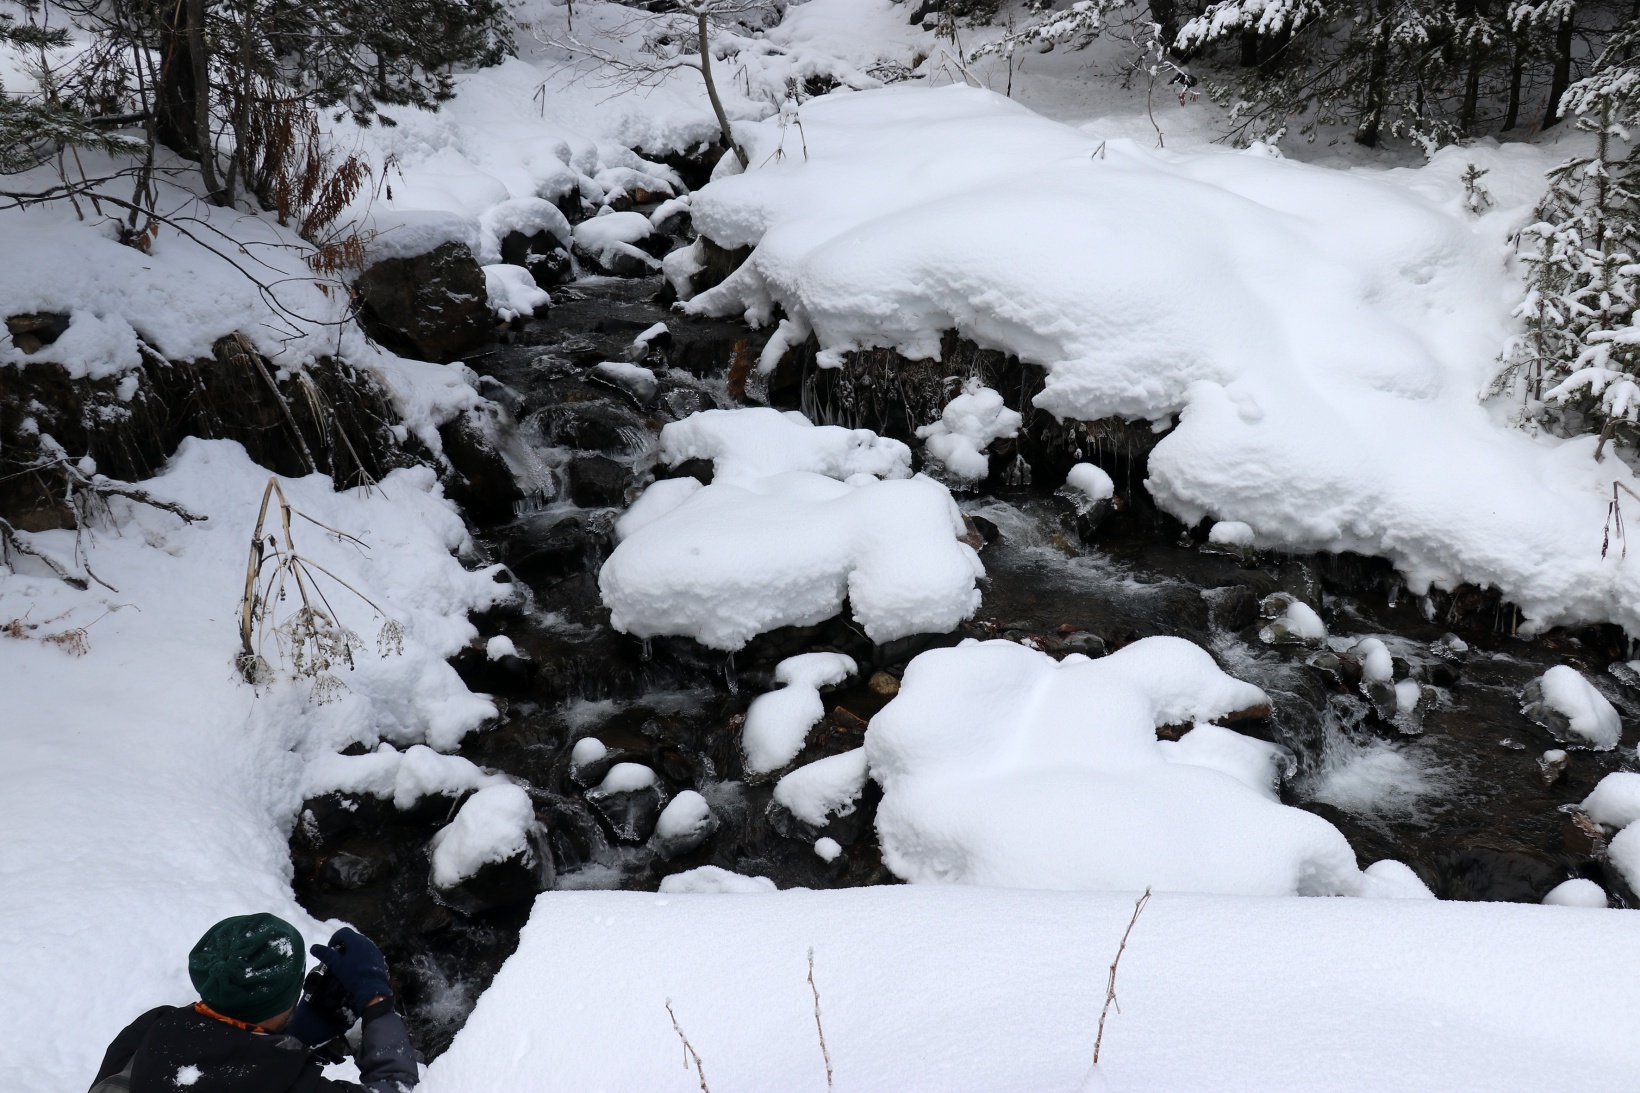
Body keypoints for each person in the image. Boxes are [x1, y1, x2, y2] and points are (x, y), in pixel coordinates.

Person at [88, 913, 419, 1093]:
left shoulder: (150, 1031)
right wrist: (376, 1001)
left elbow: (219, 1056)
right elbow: (395, 1088)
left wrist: (292, 1039)